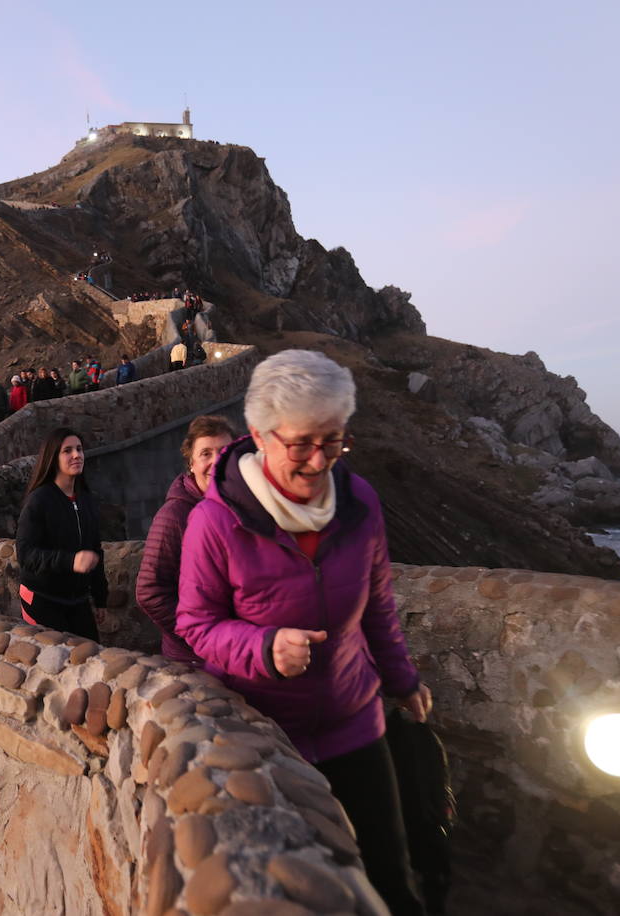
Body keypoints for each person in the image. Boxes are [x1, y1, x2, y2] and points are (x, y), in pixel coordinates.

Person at [176, 349, 431, 916]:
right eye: (302, 444)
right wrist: (263, 648)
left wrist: (402, 679)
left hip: (356, 723)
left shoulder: (359, 501)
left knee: (390, 881)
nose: (320, 462)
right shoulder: (214, 522)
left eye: (334, 440)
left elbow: (379, 603)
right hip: (267, 733)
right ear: (261, 436)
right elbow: (196, 623)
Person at [136, 416, 235, 665]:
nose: (217, 461)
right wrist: (198, 634)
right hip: (196, 660)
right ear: (191, 463)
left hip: (238, 650)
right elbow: (150, 591)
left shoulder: (243, 506)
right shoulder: (174, 516)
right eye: (206, 453)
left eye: (224, 451)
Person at [15, 427, 107, 640]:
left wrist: (100, 597)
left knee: (91, 656)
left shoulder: (86, 500)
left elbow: (95, 550)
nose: (76, 455)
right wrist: (70, 561)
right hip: (43, 599)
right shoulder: (39, 501)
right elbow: (26, 554)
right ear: (53, 458)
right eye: (67, 451)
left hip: (78, 600)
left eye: (79, 449)